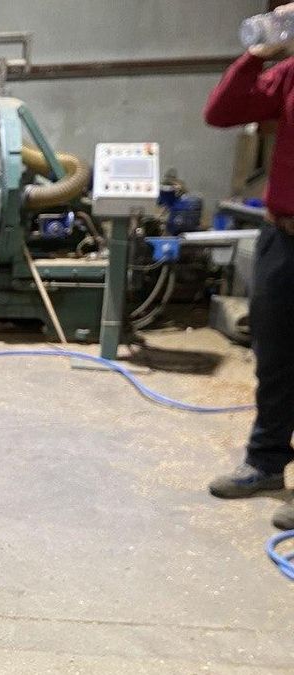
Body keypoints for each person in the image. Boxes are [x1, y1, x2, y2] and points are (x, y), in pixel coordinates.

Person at [205, 4, 294, 530]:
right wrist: (260, 53)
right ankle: (264, 465)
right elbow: (222, 111)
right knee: (276, 355)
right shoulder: (287, 74)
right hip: (282, 236)